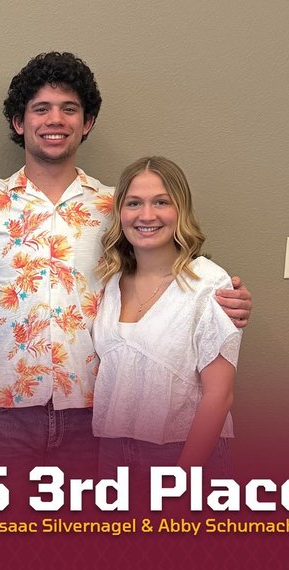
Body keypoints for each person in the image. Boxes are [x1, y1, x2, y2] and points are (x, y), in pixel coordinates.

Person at [0, 52, 252, 477]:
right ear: (19, 122)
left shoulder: (116, 206)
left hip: (94, 410)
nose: (56, 120)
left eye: (69, 109)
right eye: (41, 109)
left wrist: (222, 300)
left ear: (86, 123)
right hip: (5, 408)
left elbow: (166, 270)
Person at [93, 156, 240, 478]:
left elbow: (220, 394)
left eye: (161, 202)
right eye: (134, 203)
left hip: (184, 452)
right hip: (114, 452)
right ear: (120, 213)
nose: (146, 215)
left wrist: (181, 478)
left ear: (181, 211)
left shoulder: (208, 283)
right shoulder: (111, 283)